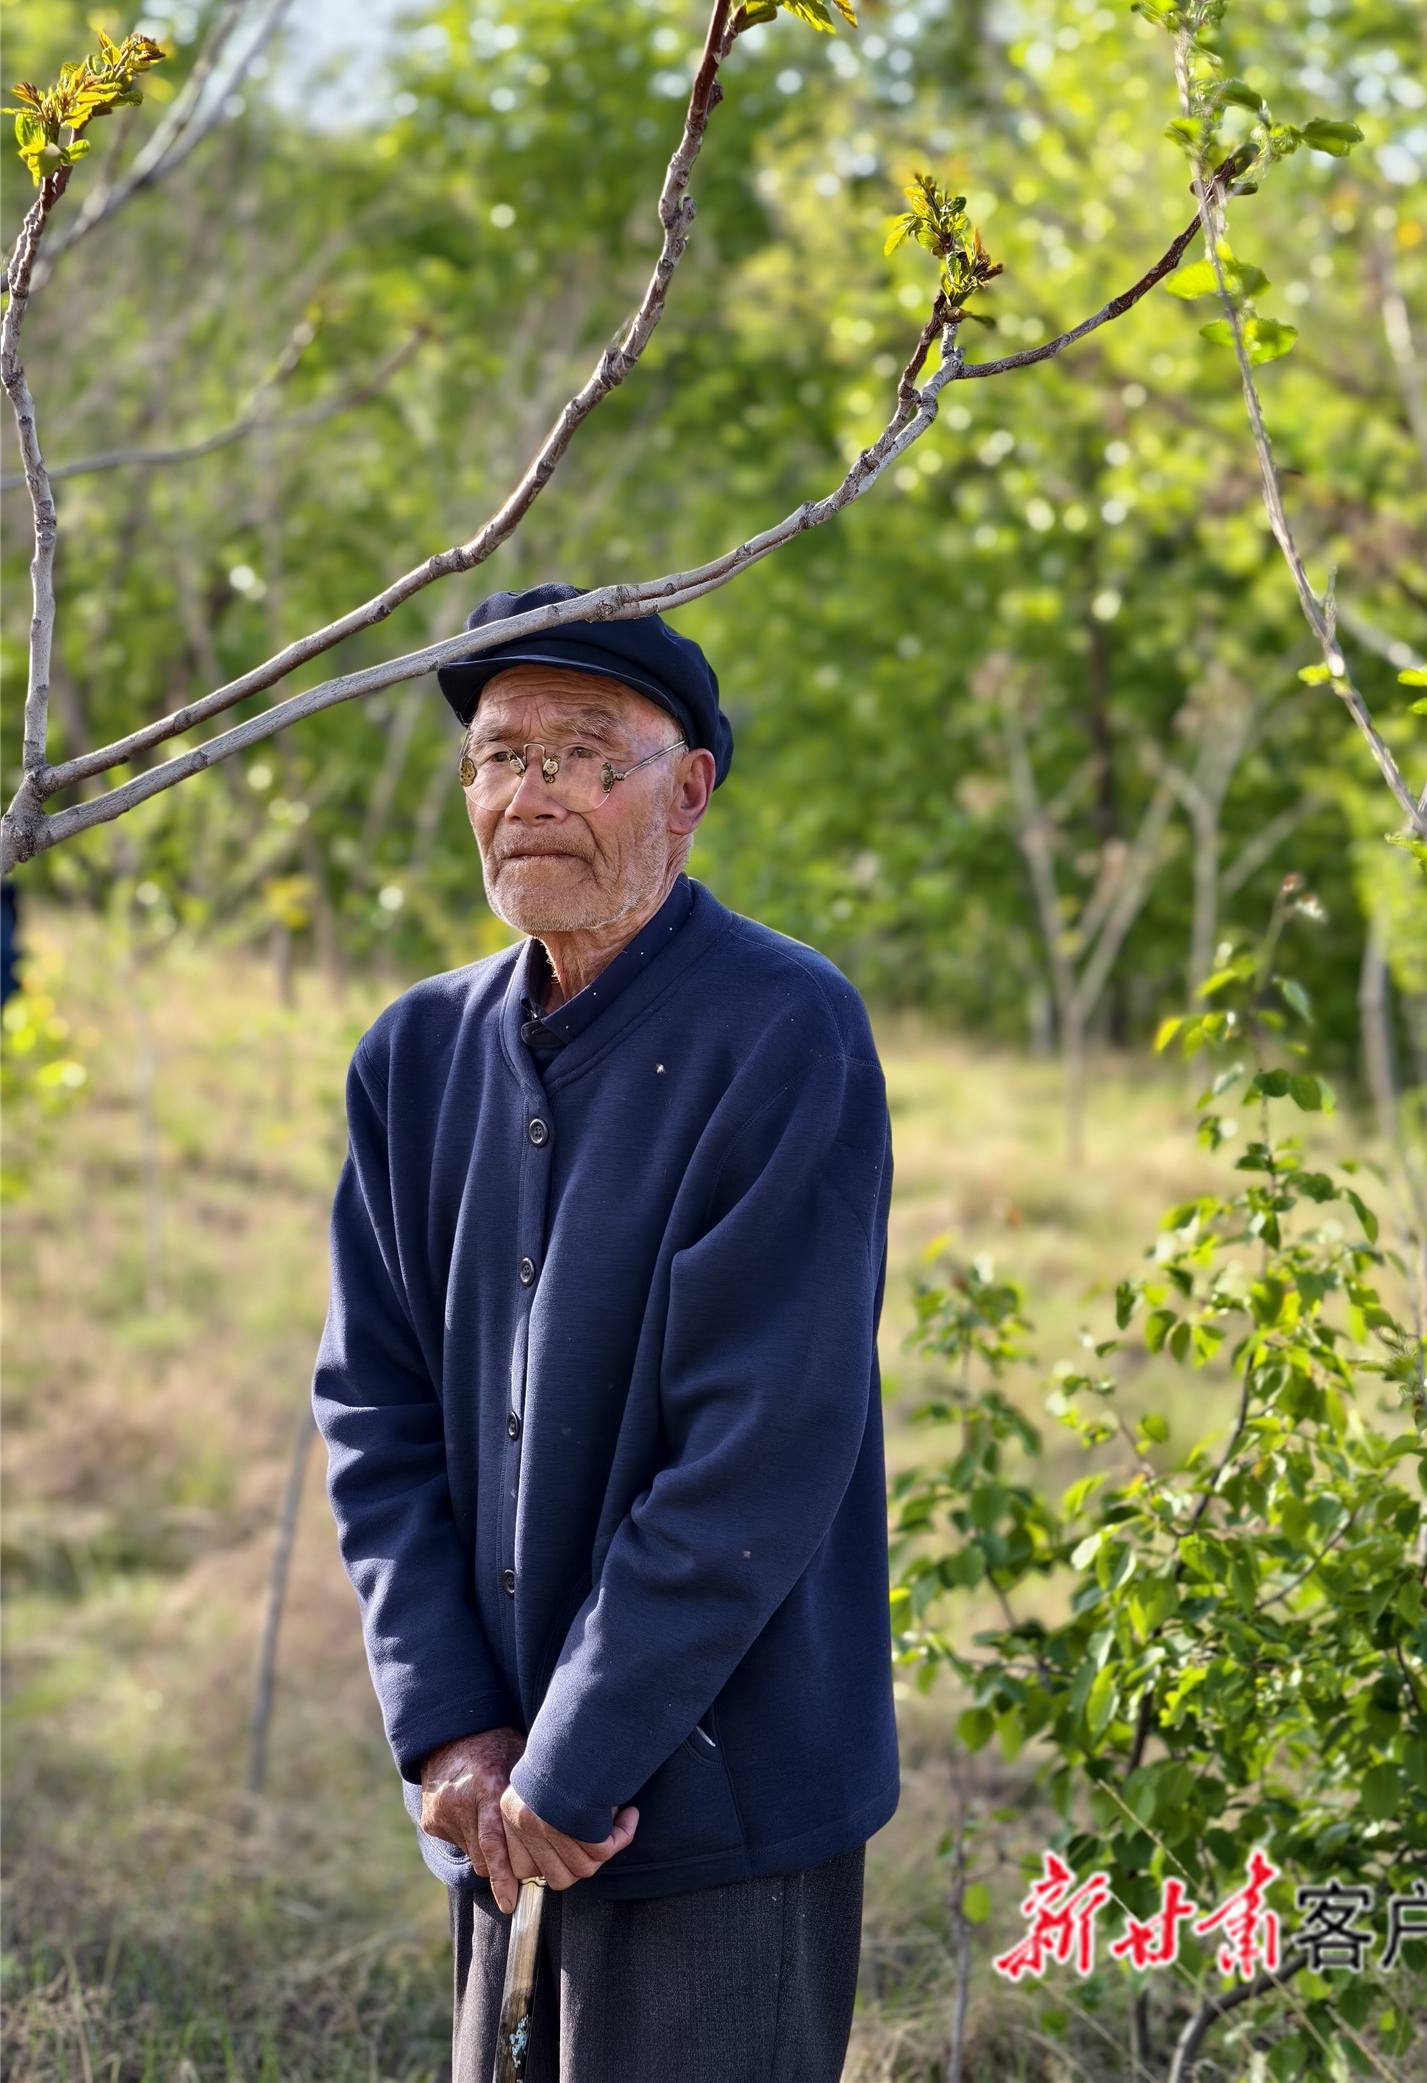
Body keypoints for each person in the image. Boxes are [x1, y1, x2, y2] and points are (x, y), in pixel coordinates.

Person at [313, 582, 897, 2083]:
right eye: (500, 757)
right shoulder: (415, 1054)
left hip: (717, 1790)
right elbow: (373, 1414)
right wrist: (453, 1730)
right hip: (494, 1795)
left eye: (583, 755)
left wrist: (572, 1763)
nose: (532, 796)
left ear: (686, 791)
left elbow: (760, 1446)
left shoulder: (784, 1030)